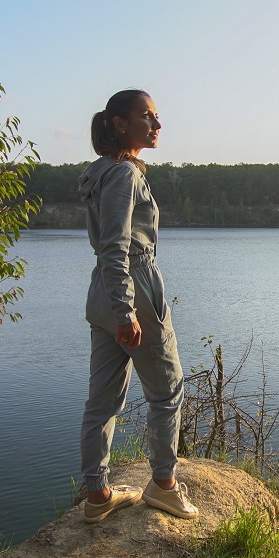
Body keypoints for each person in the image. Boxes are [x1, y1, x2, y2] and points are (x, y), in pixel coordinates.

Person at [76, 89, 199, 524]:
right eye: (147, 116)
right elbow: (117, 247)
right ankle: (163, 485)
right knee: (168, 390)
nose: (157, 124)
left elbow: (107, 252)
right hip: (133, 284)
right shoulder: (124, 175)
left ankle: (97, 494)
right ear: (120, 124)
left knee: (103, 399)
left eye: (157, 116)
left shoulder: (101, 173)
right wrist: (127, 312)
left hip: (104, 289)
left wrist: (115, 305)